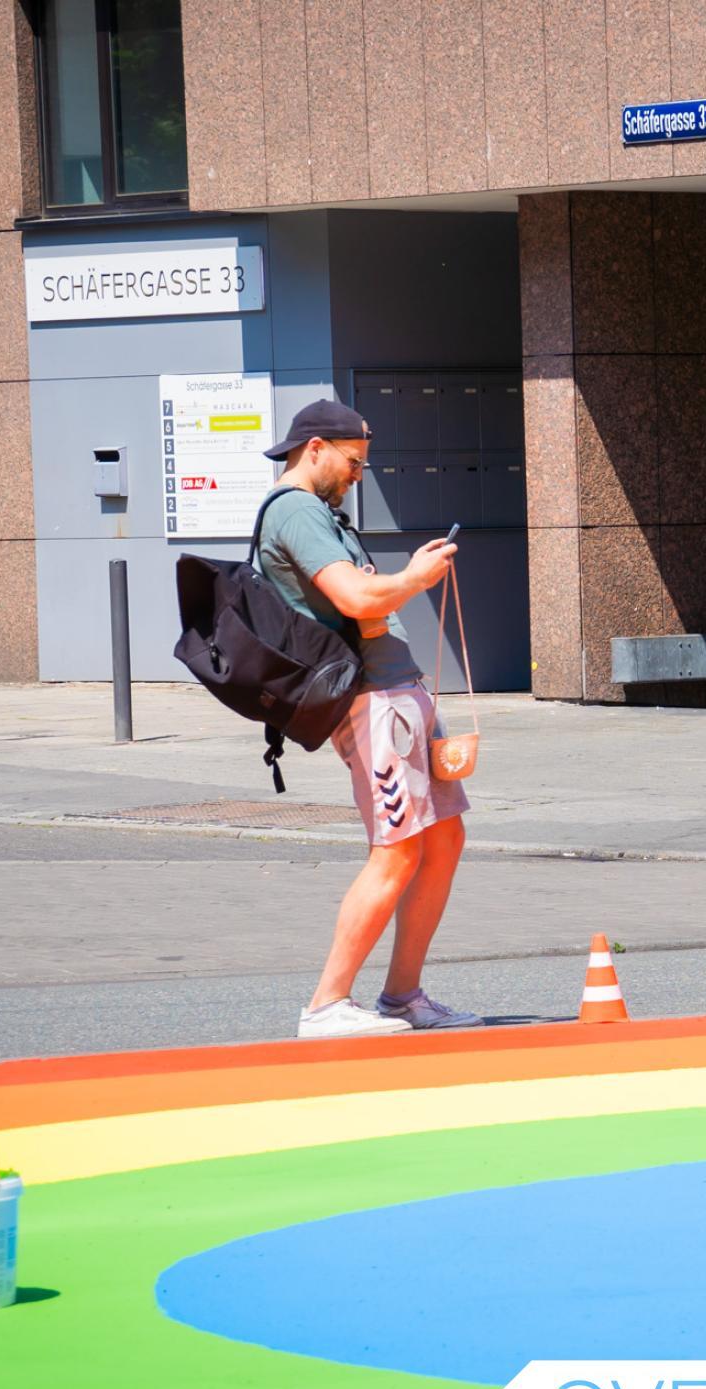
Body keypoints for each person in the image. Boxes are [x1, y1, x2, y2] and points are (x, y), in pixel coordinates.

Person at [253, 398, 480, 1038]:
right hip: (373, 699)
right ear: (315, 447)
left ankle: (404, 995)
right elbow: (355, 597)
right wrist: (416, 576)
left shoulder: (316, 511)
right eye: (355, 463)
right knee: (399, 848)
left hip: (393, 690)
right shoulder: (296, 509)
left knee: (442, 838)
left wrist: (406, 578)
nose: (359, 475)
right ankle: (327, 1004)